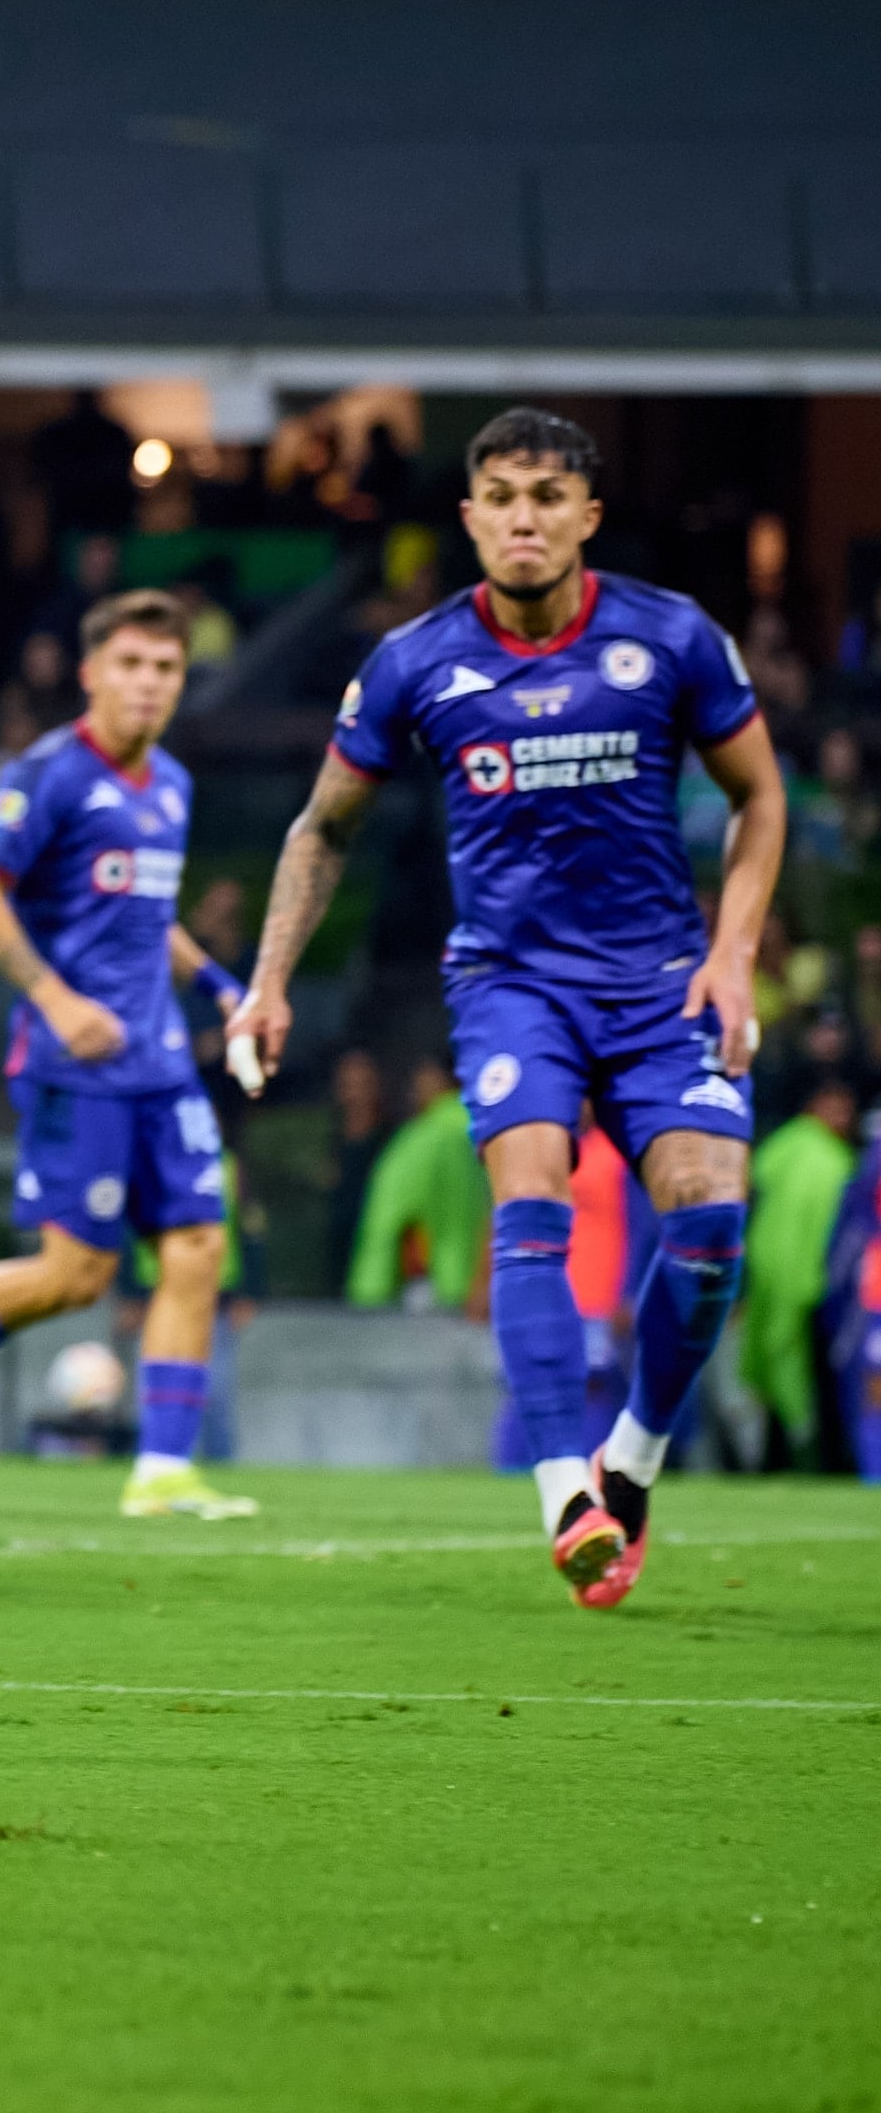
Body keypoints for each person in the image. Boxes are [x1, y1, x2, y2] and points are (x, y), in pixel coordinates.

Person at [230, 408, 783, 1609]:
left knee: (708, 1226)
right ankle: (562, 1494)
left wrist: (733, 953)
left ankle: (629, 1461)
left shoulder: (671, 636)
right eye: (501, 496)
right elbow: (322, 828)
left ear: (586, 515)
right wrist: (267, 982)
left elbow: (759, 797)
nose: (523, 517)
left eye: (546, 496)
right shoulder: (414, 662)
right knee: (530, 1194)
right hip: (511, 985)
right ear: (470, 516)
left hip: (658, 983)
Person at [0, 592, 258, 1519]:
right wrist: (57, 999)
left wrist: (218, 985)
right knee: (77, 1277)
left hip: (160, 1061)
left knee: (198, 1246)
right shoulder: (49, 774)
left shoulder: (171, 783)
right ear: (91, 673)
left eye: (165, 668)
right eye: (131, 664)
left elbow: (148, 915)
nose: (149, 683)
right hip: (76, 1066)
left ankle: (162, 1472)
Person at [743, 1071, 857, 1465]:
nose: (842, 1117)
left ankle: (779, 1459)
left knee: (780, 1372)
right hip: (814, 1284)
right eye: (835, 1108)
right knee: (815, 1377)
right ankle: (817, 1459)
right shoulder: (833, 1160)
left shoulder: (781, 1149)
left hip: (776, 1277)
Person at [346, 1060, 492, 1309]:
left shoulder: (419, 1141)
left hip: (432, 1289)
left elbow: (386, 1223)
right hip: (481, 1290)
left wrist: (368, 1296)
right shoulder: (492, 1137)